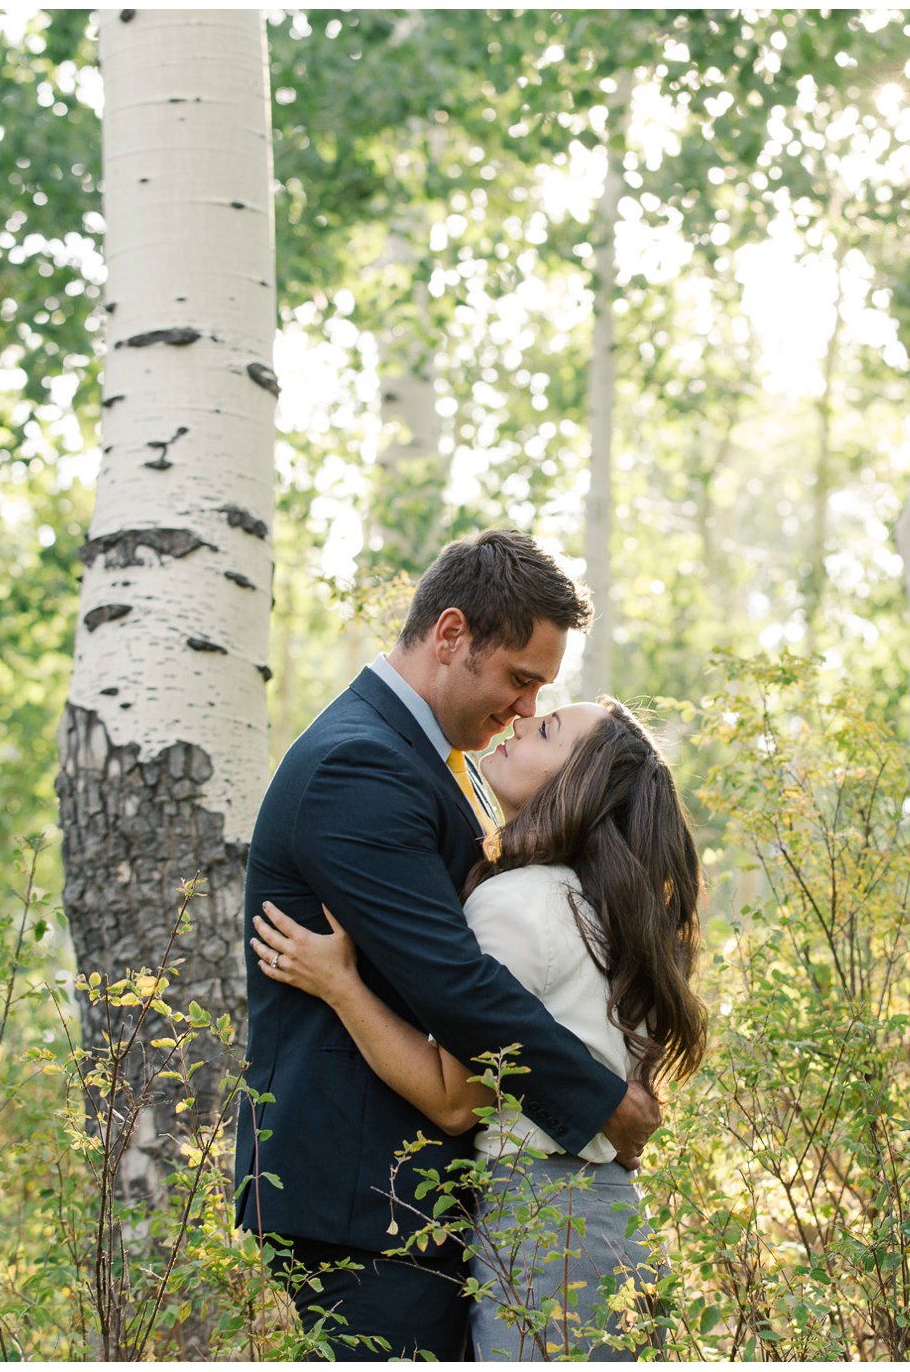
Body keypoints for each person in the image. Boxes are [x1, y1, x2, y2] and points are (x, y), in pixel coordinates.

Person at [233, 530, 662, 1361]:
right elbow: (456, 983)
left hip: (410, 1194)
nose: (527, 708)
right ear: (452, 634)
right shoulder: (359, 766)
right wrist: (600, 1098)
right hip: (363, 1199)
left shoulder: (430, 760)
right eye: (521, 678)